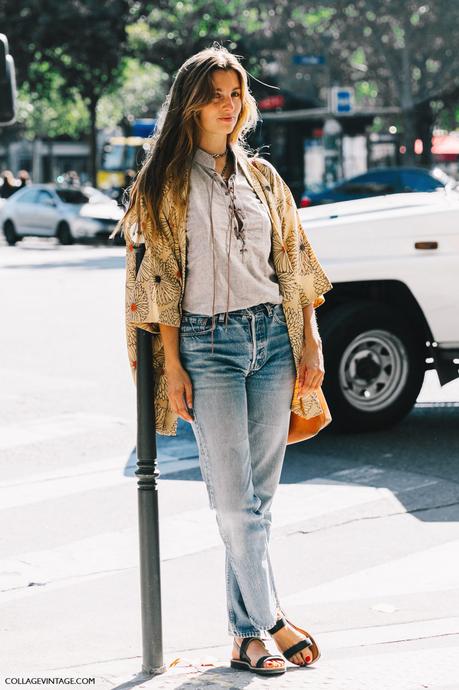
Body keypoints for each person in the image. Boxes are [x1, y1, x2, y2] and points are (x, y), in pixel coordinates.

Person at [113, 44, 333, 677]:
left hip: (272, 341)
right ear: (190, 104)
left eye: (237, 93)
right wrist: (173, 364)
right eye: (215, 93)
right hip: (205, 349)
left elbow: (294, 260)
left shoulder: (263, 178)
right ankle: (273, 619)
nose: (229, 105)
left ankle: (244, 638)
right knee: (234, 503)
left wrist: (310, 341)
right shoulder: (164, 182)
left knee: (258, 501)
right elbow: (154, 281)